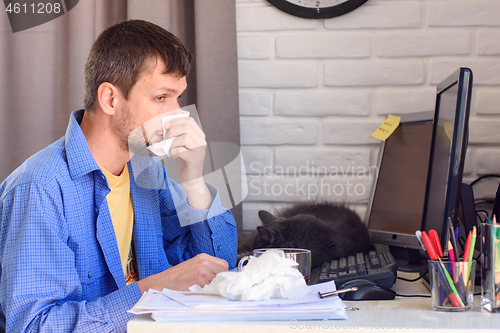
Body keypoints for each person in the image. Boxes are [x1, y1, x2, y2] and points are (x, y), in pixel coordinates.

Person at [0, 20, 237, 332]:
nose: (178, 115)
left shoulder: (147, 169)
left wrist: (193, 180)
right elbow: (33, 326)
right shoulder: (40, 188)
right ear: (110, 99)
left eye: (178, 97)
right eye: (161, 98)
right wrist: (150, 291)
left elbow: (214, 267)